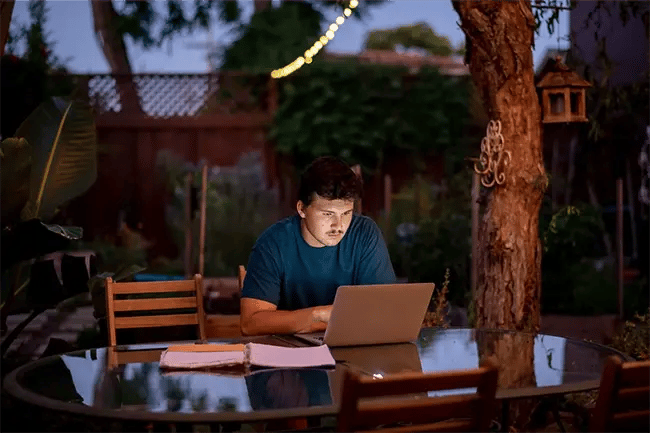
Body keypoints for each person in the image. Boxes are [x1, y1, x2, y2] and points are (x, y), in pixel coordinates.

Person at [240, 156, 396, 336]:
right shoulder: (273, 244)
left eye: (346, 213)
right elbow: (251, 323)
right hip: (289, 353)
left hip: (353, 350)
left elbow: (385, 311)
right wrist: (318, 315)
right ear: (301, 209)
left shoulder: (364, 234)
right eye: (328, 214)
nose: (338, 225)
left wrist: (322, 320)